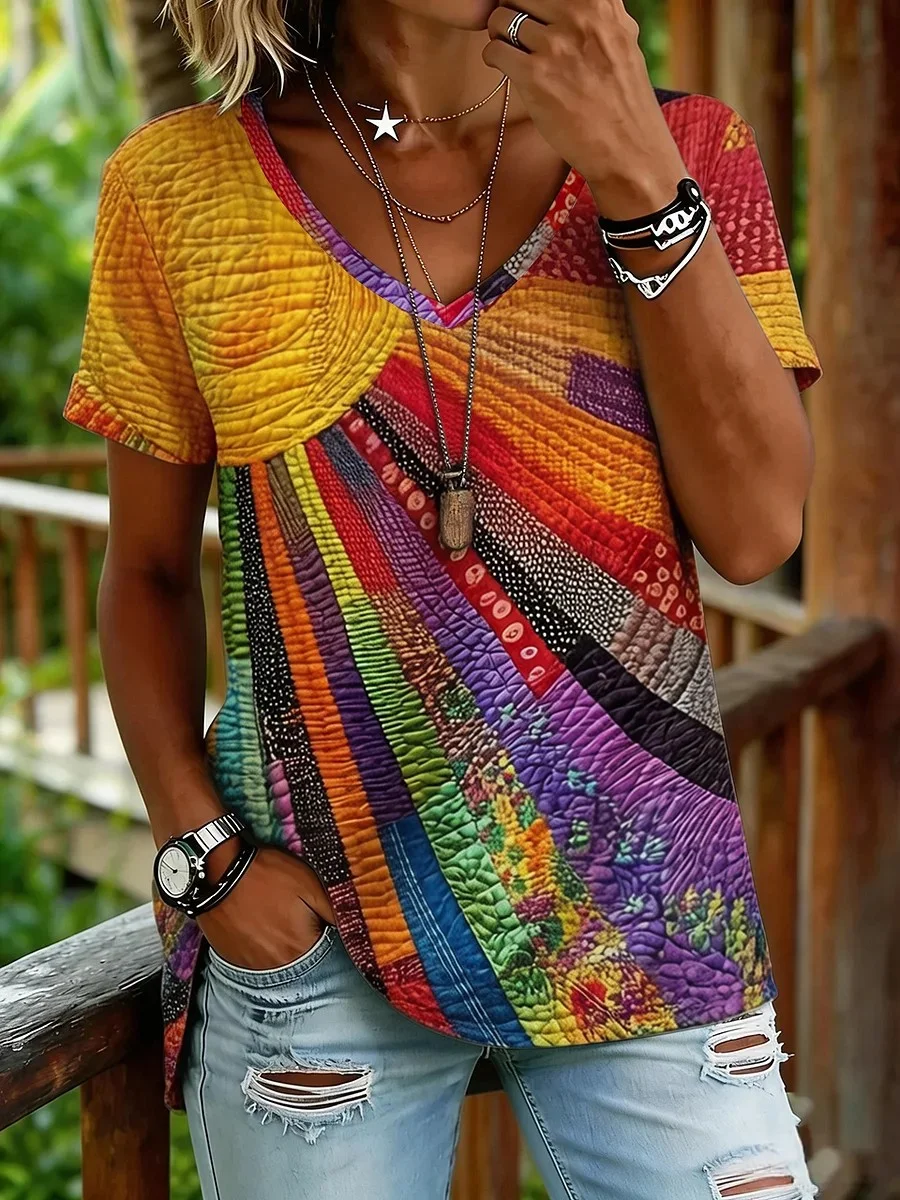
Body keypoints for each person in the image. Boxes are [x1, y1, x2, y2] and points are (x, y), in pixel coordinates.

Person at [63, 1, 823, 1196]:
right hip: (320, 940)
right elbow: (148, 570)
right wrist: (202, 856)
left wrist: (636, 176)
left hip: (648, 920)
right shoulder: (182, 186)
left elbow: (757, 527)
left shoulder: (689, 150)